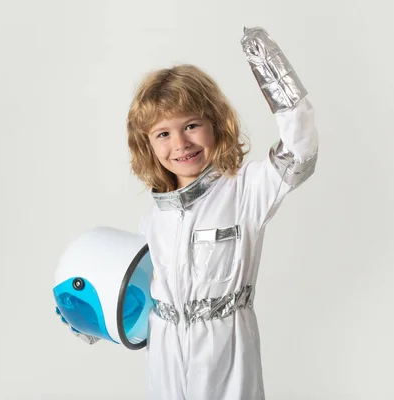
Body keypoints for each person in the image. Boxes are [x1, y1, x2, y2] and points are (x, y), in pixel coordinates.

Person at [126, 27, 319, 400]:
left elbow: (300, 152)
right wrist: (93, 317)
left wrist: (272, 71)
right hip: (164, 354)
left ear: (217, 124)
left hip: (226, 353)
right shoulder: (152, 218)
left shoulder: (247, 190)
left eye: (191, 125)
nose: (180, 143)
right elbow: (140, 300)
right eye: (162, 134)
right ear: (147, 146)